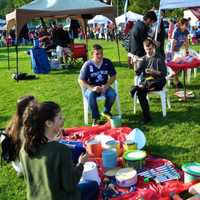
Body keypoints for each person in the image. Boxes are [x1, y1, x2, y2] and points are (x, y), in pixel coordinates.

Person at [20, 101, 99, 200]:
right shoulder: (61, 150)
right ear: (48, 123)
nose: (63, 119)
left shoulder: (24, 149)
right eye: (60, 117)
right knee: (93, 185)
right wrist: (81, 164)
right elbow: (70, 186)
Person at [130, 38, 167, 123]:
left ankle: (136, 87)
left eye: (150, 49)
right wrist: (135, 63)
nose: (149, 51)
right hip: (148, 83)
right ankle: (147, 117)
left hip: (159, 81)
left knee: (143, 85)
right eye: (147, 49)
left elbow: (164, 74)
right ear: (144, 49)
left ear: (153, 47)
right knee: (141, 92)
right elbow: (137, 73)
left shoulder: (159, 58)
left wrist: (153, 71)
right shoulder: (143, 59)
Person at [79, 44, 117, 126]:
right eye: (97, 54)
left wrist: (106, 86)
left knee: (112, 94)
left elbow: (113, 76)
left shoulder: (107, 62)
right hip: (92, 87)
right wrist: (91, 88)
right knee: (91, 95)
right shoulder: (87, 64)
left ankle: (106, 111)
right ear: (92, 54)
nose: (100, 56)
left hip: (104, 86)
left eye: (101, 53)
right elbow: (81, 80)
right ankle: (95, 118)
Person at [5, 95, 36, 174]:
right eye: (33, 106)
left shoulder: (15, 122)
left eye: (37, 103)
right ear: (24, 109)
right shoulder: (28, 126)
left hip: (18, 164)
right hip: (25, 165)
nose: (38, 107)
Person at [169, 18, 189, 88]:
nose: (187, 26)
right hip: (171, 49)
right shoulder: (176, 31)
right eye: (186, 25)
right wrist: (171, 53)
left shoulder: (186, 31)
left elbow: (186, 41)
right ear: (181, 25)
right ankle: (175, 81)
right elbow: (173, 43)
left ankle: (172, 79)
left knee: (179, 65)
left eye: (188, 24)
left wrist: (187, 51)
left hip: (177, 49)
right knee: (175, 65)